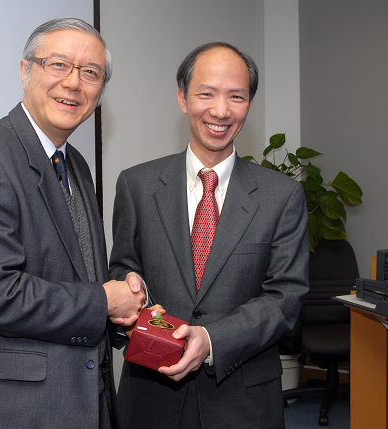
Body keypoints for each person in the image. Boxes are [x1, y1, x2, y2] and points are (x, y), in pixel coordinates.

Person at [0, 17, 145, 429]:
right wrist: (105, 301)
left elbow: (77, 273)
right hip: (15, 412)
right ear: (25, 71)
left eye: (91, 73)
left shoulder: (75, 163)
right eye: (59, 64)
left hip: (88, 402)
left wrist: (124, 301)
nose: (73, 83)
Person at [109, 42, 309, 429]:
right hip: (152, 392)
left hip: (243, 400)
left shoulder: (282, 196)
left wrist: (212, 338)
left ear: (249, 103)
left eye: (236, 96)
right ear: (183, 98)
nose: (220, 111)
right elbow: (123, 269)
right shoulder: (137, 184)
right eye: (206, 94)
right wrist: (132, 296)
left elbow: (286, 296)